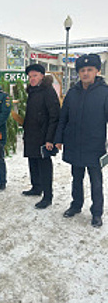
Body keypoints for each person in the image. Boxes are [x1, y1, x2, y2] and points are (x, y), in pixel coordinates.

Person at [55, 54, 108, 227]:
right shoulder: (72, 92)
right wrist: (59, 138)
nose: (85, 73)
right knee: (76, 178)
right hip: (74, 143)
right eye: (82, 70)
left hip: (95, 146)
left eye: (89, 70)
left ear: (97, 71)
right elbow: (63, 118)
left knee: (96, 181)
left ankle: (97, 213)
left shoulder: (105, 93)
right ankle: (76, 205)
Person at [22, 64, 60, 208]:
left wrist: (50, 138)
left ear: (42, 76)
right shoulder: (32, 91)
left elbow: (54, 116)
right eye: (30, 76)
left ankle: (47, 196)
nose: (32, 79)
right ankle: (36, 187)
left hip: (44, 137)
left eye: (35, 76)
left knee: (44, 166)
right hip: (31, 134)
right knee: (32, 162)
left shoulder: (48, 91)